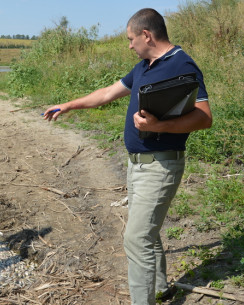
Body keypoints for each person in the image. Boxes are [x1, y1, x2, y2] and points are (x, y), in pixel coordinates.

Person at [42, 8, 212, 305]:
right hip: (137, 166)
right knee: (147, 232)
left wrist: (160, 126)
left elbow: (204, 118)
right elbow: (107, 93)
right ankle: (161, 289)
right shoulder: (144, 67)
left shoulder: (182, 65)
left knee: (136, 238)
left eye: (131, 39)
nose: (129, 45)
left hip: (160, 165)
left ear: (147, 35)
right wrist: (68, 105)